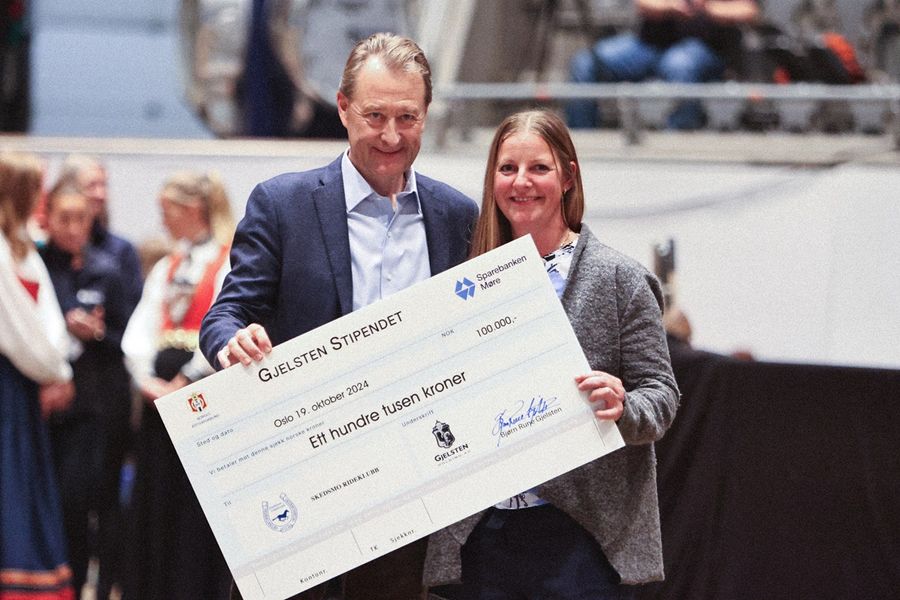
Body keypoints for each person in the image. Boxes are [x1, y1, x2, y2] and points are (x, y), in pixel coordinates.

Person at [200, 32, 478, 600]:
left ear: (426, 115)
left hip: (415, 490)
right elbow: (227, 313)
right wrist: (234, 341)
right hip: (300, 490)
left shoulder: (456, 215)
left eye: (407, 117)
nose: (392, 135)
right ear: (344, 108)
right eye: (375, 115)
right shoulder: (282, 204)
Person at [424, 110, 680, 599]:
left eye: (538, 168)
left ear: (567, 177)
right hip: (479, 530)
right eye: (507, 169)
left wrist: (624, 406)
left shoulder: (620, 279)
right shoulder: (461, 283)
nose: (521, 182)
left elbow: (661, 397)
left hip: (578, 532)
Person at [121, 171, 235, 600]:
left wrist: (187, 379)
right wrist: (146, 380)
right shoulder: (167, 266)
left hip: (203, 397)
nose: (162, 220)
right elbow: (141, 330)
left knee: (193, 506)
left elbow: (225, 323)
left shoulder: (228, 261)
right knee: (155, 499)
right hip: (159, 402)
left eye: (166, 210)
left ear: (192, 209)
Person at [38, 181, 134, 598]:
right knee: (48, 504)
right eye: (65, 218)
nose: (74, 228)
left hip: (93, 408)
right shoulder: (35, 265)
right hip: (42, 405)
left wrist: (95, 332)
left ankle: (82, 587)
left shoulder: (107, 270)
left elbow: (125, 340)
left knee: (84, 503)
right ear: (47, 218)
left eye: (82, 219)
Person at [0, 151, 76, 599]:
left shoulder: (21, 247)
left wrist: (55, 367)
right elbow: (17, 330)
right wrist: (56, 371)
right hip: (9, 383)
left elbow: (47, 321)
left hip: (24, 381)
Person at [567, 0, 760, 130]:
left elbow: (748, 10)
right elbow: (643, 4)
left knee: (679, 65)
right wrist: (672, 7)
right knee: (585, 63)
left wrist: (706, 8)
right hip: (648, 45)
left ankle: (678, 140)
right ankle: (580, 143)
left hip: (703, 46)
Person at [56, 154, 144, 312]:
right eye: (92, 186)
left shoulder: (122, 251)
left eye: (104, 185)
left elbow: (133, 313)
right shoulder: (42, 253)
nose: (101, 194)